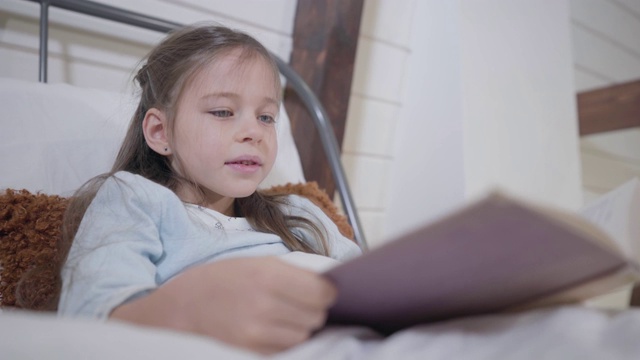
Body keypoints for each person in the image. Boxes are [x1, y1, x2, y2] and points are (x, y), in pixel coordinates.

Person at [53, 24, 362, 355]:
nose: (253, 132)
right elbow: (90, 317)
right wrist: (188, 309)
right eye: (223, 112)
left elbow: (368, 285)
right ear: (161, 131)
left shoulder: (297, 213)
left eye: (266, 117)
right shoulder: (134, 200)